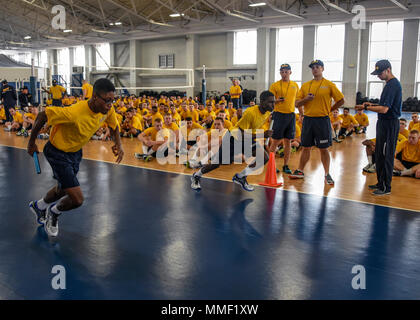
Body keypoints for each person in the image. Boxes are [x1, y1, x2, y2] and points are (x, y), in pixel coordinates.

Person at [27, 78, 124, 237]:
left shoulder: (107, 110)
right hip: (57, 152)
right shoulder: (74, 113)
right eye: (107, 100)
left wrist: (119, 145)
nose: (110, 104)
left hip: (75, 153)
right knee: (77, 199)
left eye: (112, 101)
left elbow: (115, 126)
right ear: (95, 98)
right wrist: (31, 143)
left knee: (63, 189)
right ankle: (54, 212)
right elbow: (43, 116)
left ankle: (39, 206)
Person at [190, 91, 275, 192]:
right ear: (263, 102)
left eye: (274, 102)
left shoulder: (268, 111)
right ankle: (196, 175)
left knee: (264, 157)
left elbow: (276, 103)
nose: (273, 105)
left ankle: (240, 177)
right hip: (233, 139)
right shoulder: (250, 113)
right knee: (216, 163)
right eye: (271, 102)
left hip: (248, 139)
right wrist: (262, 135)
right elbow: (241, 134)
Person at [291, 60, 345, 185]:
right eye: (313, 67)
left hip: (322, 120)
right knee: (306, 147)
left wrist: (330, 109)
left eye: (317, 67)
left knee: (323, 149)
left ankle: (327, 174)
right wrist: (306, 99)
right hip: (308, 120)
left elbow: (341, 100)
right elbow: (296, 103)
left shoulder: (329, 85)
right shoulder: (305, 86)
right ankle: (300, 171)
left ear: (322, 69)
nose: (315, 69)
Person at [355, 59, 402, 195]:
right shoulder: (388, 85)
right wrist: (369, 105)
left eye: (380, 73)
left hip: (390, 123)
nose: (378, 76)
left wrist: (367, 107)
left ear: (388, 70)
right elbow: (382, 107)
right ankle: (380, 182)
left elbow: (385, 109)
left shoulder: (393, 85)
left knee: (387, 155)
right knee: (379, 153)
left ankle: (386, 187)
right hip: (383, 123)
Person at [268, 63, 300, 174]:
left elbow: (297, 101)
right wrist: (277, 100)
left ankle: (285, 165)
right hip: (279, 115)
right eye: (282, 71)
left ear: (290, 72)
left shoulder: (295, 85)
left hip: (291, 115)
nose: (284, 73)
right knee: (275, 141)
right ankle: (271, 165)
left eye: (286, 71)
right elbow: (269, 101)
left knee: (288, 142)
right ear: (280, 72)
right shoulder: (275, 85)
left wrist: (301, 114)